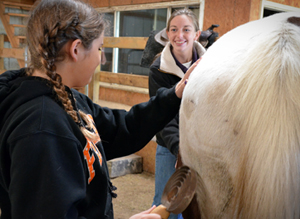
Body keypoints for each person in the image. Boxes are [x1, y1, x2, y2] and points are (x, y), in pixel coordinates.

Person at [0, 1, 199, 218]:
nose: (102, 58)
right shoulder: (40, 128)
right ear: (75, 49)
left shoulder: (68, 97)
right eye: (99, 48)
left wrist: (175, 93)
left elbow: (122, 128)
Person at [148, 8, 205, 219]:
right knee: (165, 204)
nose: (179, 35)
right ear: (167, 33)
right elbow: (162, 116)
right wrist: (180, 151)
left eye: (186, 29)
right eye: (174, 29)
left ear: (196, 34)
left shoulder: (210, 66)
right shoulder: (158, 70)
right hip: (170, 145)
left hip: (201, 146)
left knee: (192, 204)